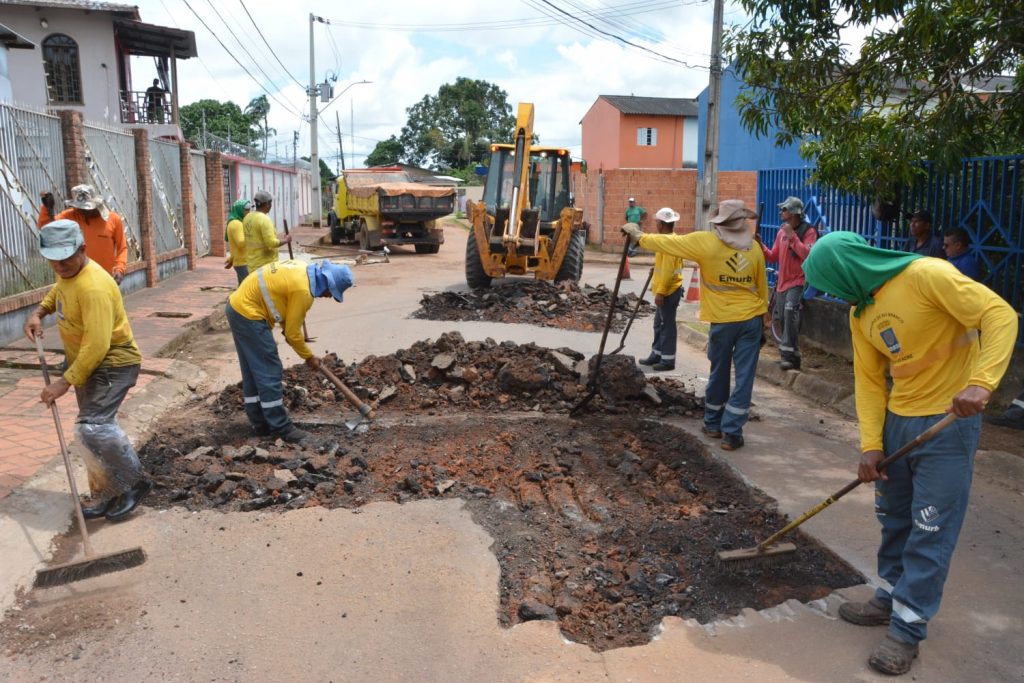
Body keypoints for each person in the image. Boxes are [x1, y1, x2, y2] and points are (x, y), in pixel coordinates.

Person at [801, 231, 1017, 677]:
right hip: (898, 423)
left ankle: (907, 629)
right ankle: (890, 597)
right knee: (894, 519)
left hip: (948, 423)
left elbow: (999, 314)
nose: (834, 294)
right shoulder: (860, 313)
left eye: (831, 283)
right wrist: (871, 445)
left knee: (929, 529)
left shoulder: (926, 274)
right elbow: (868, 381)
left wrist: (982, 382)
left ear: (848, 269)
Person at [23, 220, 152, 522]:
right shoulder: (68, 273)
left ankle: (135, 482)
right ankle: (108, 493)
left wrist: (63, 383)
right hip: (87, 363)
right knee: (93, 433)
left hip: (113, 363)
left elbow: (97, 345)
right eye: (53, 260)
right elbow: (59, 291)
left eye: (66, 259)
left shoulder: (94, 286)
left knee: (93, 427)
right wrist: (39, 312)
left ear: (82, 249)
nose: (59, 266)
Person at [623, 199, 767, 451]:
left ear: (720, 222)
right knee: (744, 378)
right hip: (751, 320)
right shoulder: (754, 248)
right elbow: (762, 289)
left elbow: (667, 243)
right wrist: (763, 323)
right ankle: (732, 433)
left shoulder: (706, 242)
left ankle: (713, 424)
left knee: (719, 371)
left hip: (722, 321)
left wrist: (638, 235)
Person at [226, 259, 353, 443]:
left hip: (236, 308)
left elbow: (286, 315)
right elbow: (293, 334)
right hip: (249, 314)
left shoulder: (301, 269)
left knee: (253, 371)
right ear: (327, 283)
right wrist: (308, 357)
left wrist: (294, 337)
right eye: (331, 292)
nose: (328, 297)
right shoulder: (304, 292)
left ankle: (260, 424)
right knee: (270, 369)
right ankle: (281, 427)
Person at [760, 196, 818, 370]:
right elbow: (773, 256)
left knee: (790, 312)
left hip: (798, 281)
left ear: (793, 212)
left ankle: (786, 355)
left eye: (784, 209)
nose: (781, 212)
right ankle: (794, 356)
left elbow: (807, 255)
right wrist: (761, 245)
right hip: (781, 283)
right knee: (785, 319)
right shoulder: (781, 233)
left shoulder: (809, 231)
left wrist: (792, 236)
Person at [38, 185, 128, 283]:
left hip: (105, 280)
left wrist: (120, 269)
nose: (84, 211)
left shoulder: (113, 219)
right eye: (80, 208)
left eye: (87, 208)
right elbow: (47, 228)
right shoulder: (69, 216)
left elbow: (122, 248)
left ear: (96, 203)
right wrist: (47, 209)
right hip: (75, 281)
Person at [637, 207, 684, 372]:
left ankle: (667, 360)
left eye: (657, 221)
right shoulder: (668, 240)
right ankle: (656, 354)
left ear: (662, 224)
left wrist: (661, 293)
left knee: (667, 326)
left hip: (669, 291)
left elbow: (669, 272)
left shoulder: (668, 243)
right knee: (659, 324)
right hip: (667, 290)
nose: (655, 224)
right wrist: (655, 269)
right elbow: (665, 266)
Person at [243, 190, 291, 272]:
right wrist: (286, 240)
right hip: (265, 266)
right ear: (267, 204)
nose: (271, 206)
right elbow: (271, 243)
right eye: (271, 203)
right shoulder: (264, 219)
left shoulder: (247, 217)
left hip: (252, 264)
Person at [224, 199, 252, 284]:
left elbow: (234, 246)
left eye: (249, 209)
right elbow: (240, 243)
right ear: (239, 210)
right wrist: (252, 235)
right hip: (243, 263)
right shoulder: (236, 224)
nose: (248, 212)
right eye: (246, 209)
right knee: (249, 287)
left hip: (241, 262)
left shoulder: (235, 222)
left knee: (243, 287)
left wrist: (231, 259)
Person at [623, 197, 647, 279]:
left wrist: (642, 220)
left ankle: (633, 252)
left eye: (632, 202)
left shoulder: (638, 209)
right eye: (630, 202)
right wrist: (629, 222)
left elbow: (645, 213)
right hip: (630, 226)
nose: (631, 203)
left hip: (637, 225)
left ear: (634, 202)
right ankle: (629, 252)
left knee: (636, 239)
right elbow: (626, 217)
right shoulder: (628, 210)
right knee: (630, 239)